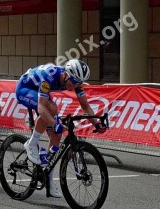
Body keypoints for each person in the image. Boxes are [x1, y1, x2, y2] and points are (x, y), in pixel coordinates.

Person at [16, 59, 105, 197]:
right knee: (51, 108)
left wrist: (96, 123)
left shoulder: (76, 81)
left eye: (78, 83)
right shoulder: (49, 76)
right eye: (73, 82)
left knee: (57, 136)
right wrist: (54, 124)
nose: (75, 85)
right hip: (25, 89)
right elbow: (41, 107)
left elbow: (85, 106)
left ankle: (49, 181)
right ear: (65, 74)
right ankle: (31, 143)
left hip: (40, 90)